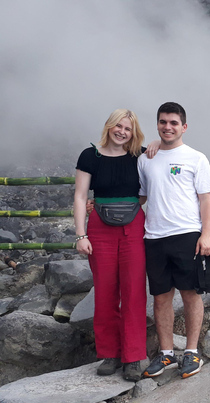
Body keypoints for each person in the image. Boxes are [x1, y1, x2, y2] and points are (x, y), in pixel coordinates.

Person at [140, 102, 210, 379]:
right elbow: (141, 196)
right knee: (160, 297)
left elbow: (205, 199)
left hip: (186, 234)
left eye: (173, 123)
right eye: (163, 122)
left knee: (190, 294)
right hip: (154, 236)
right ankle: (167, 353)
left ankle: (192, 352)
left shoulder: (196, 158)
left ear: (184, 126)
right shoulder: (146, 158)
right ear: (157, 124)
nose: (167, 127)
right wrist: (102, 205)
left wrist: (205, 235)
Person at [74, 109, 149, 381]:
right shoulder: (89, 155)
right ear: (109, 126)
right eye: (118, 126)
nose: (122, 132)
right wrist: (81, 235)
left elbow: (146, 192)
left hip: (133, 228)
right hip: (99, 230)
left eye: (128, 128)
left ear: (133, 132)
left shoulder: (140, 156)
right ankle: (110, 354)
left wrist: (125, 209)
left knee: (134, 291)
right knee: (105, 290)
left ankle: (133, 357)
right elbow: (81, 196)